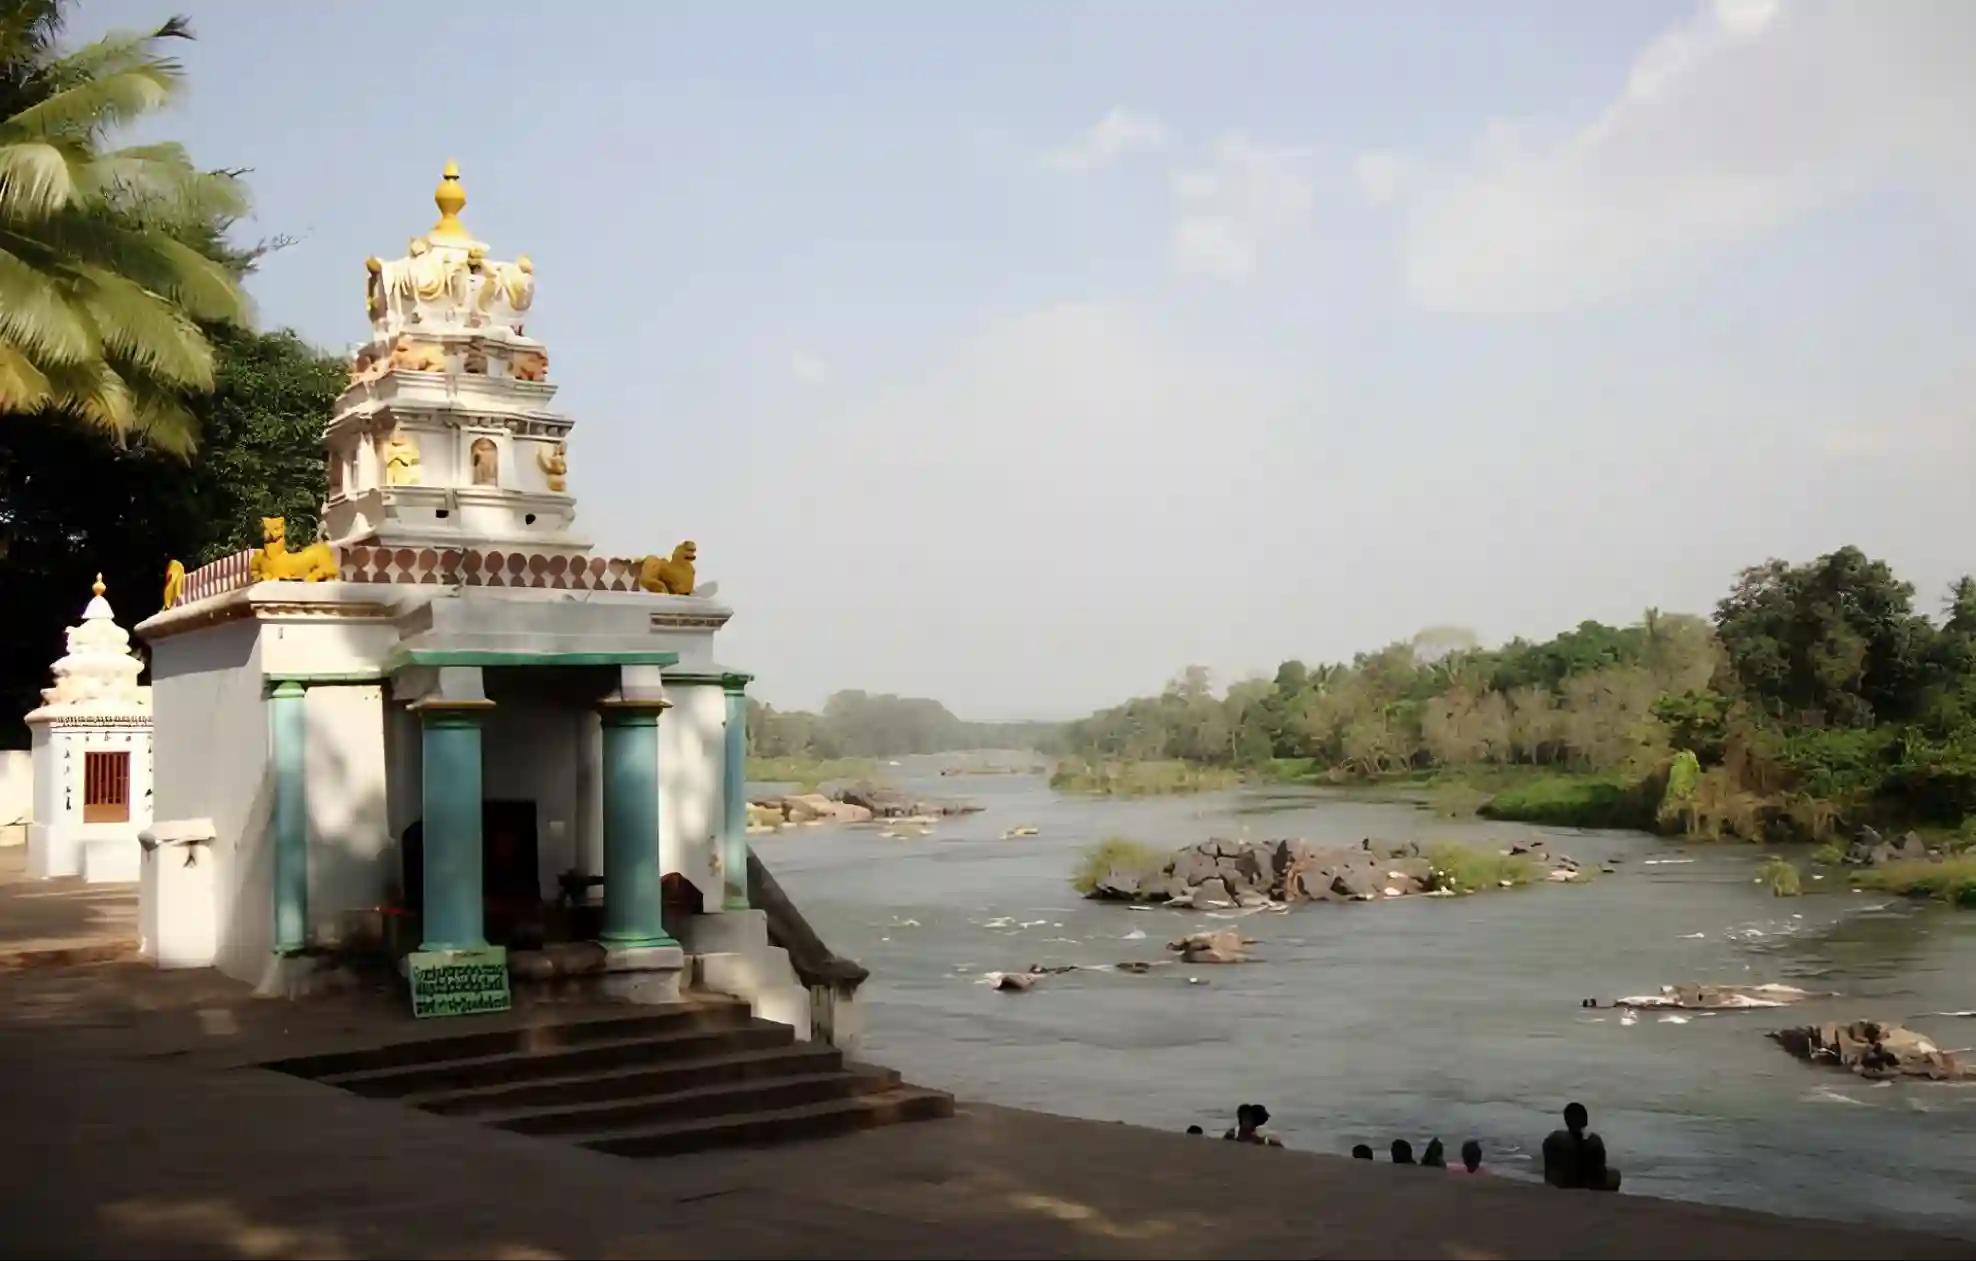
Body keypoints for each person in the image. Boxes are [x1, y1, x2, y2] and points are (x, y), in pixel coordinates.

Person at [1543, 1102, 1621, 1191]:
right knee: (1615, 1174)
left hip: (1560, 1182)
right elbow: (1600, 1170)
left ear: (1566, 1120)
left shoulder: (1553, 1139)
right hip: (1589, 1184)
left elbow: (1548, 1166)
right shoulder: (1594, 1141)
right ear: (1585, 1121)